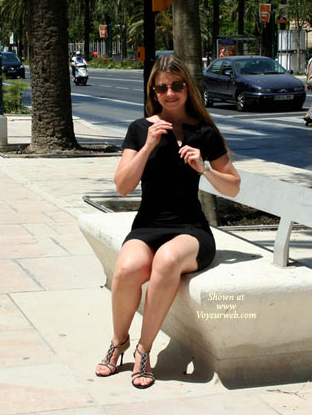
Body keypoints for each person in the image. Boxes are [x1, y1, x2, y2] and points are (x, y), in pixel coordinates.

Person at [94, 55, 240, 389]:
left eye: (176, 86)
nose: (170, 93)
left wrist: (205, 168)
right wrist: (148, 146)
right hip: (148, 224)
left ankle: (144, 350)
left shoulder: (204, 132)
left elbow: (233, 185)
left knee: (167, 260)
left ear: (188, 88)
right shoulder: (139, 129)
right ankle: (119, 341)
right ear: (153, 92)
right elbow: (123, 186)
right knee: (127, 269)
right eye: (162, 88)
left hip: (191, 229)